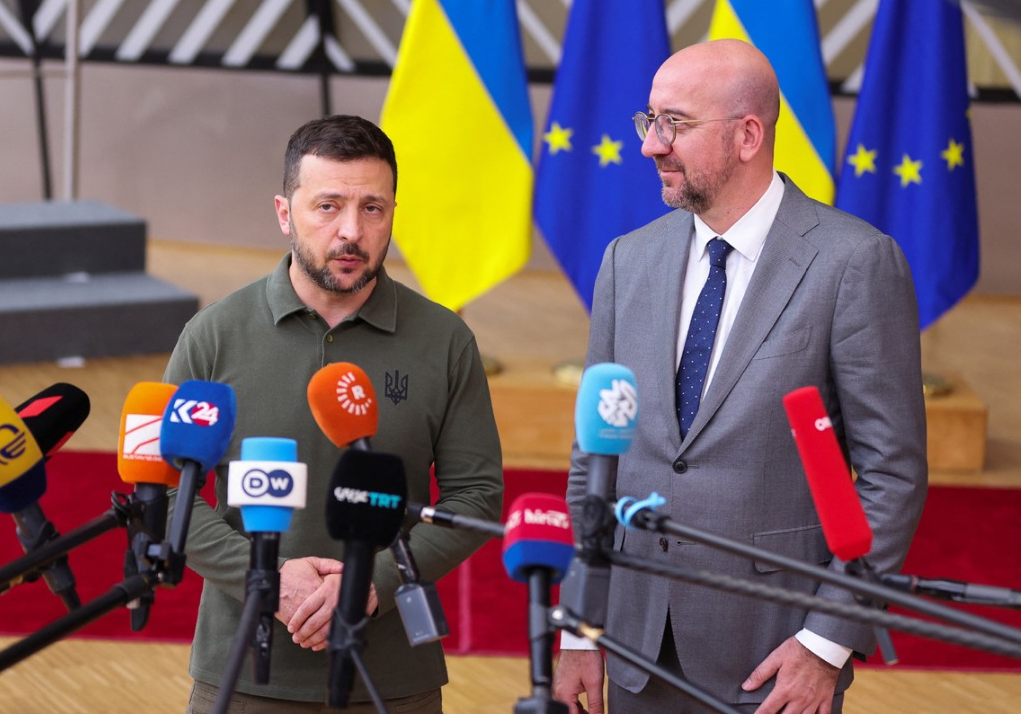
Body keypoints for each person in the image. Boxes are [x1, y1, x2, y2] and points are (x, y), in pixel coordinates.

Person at [553, 39, 928, 714]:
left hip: (776, 662)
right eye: (649, 121)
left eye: (675, 123)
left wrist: (825, 643)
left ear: (748, 135)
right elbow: (595, 459)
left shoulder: (855, 263)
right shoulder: (625, 261)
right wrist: (580, 626)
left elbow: (890, 476)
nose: (651, 145)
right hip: (636, 653)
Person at [164, 114, 503, 712]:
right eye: (328, 206)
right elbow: (167, 495)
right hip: (243, 673)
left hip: (393, 678)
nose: (352, 231)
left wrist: (376, 580)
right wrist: (267, 579)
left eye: (373, 208)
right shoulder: (213, 336)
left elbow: (475, 497)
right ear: (284, 212)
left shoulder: (446, 341)